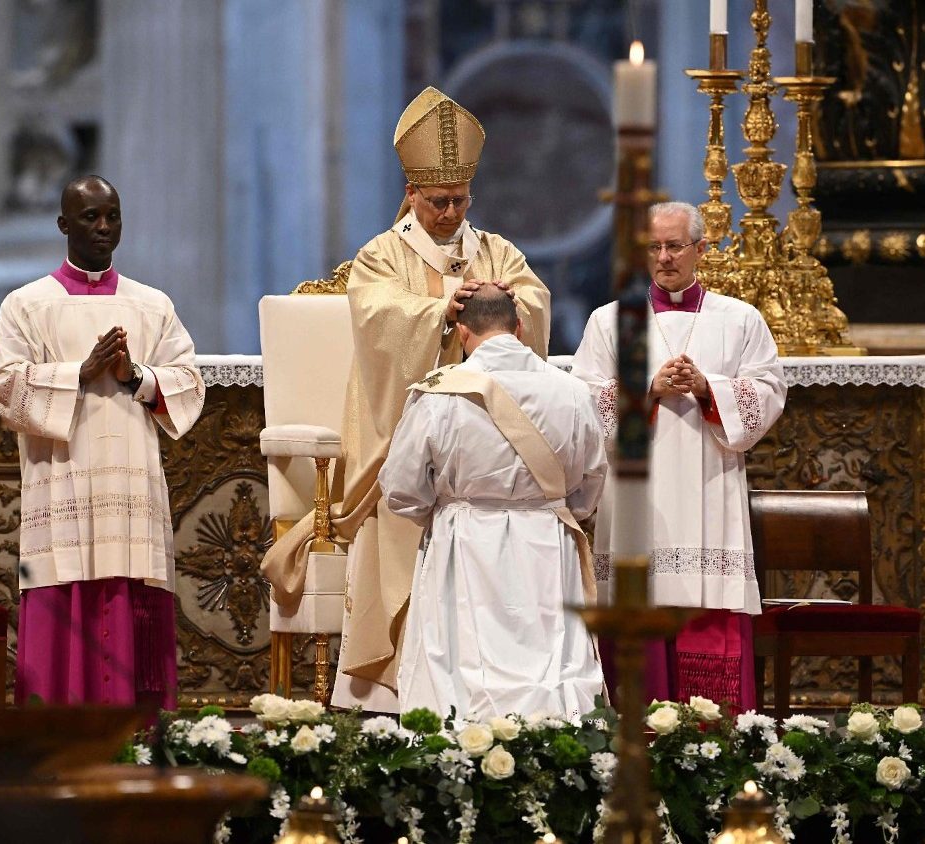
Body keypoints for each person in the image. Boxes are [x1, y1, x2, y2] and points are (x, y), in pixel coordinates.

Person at [262, 87, 551, 711]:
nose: (450, 212)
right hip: (403, 434)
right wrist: (440, 313)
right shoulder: (381, 255)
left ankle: (483, 689)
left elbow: (535, 307)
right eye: (438, 201)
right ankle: (386, 694)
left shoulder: (496, 250)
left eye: (459, 200)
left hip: (482, 445)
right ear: (411, 194)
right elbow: (376, 323)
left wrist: (500, 302)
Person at [0, 175, 204, 708]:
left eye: (112, 216)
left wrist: (135, 377)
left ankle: (140, 742)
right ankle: (51, 741)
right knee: (61, 585)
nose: (103, 227)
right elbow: (2, 384)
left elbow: (190, 384)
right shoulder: (26, 304)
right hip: (60, 483)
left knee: (131, 597)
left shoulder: (152, 306)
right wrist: (77, 374)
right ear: (63, 224)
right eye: (90, 217)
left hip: (130, 490)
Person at [571, 201, 786, 712]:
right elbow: (582, 401)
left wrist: (710, 390)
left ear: (700, 250)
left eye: (675, 246)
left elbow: (770, 391)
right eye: (654, 247)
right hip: (637, 491)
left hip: (709, 482)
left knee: (707, 613)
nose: (664, 257)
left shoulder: (740, 319)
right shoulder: (610, 321)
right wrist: (646, 390)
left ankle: (711, 750)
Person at [379, 285, 606, 719]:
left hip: (462, 542)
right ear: (519, 328)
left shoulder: (438, 392)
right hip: (546, 544)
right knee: (550, 663)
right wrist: (551, 510)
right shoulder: (572, 391)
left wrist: (446, 510)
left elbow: (402, 487)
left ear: (462, 331)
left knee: (459, 674)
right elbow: (592, 478)